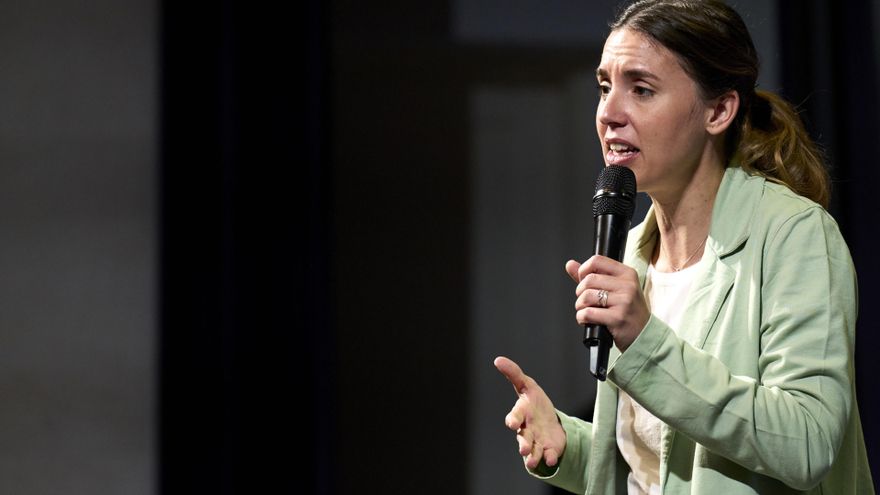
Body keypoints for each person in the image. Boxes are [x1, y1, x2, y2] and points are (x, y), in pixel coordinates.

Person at [494, 1, 875, 493]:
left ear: (718, 111)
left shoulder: (794, 234)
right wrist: (569, 445)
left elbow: (807, 442)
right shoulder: (633, 251)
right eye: (605, 87)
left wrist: (645, 342)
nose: (609, 113)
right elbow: (664, 467)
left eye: (641, 89)